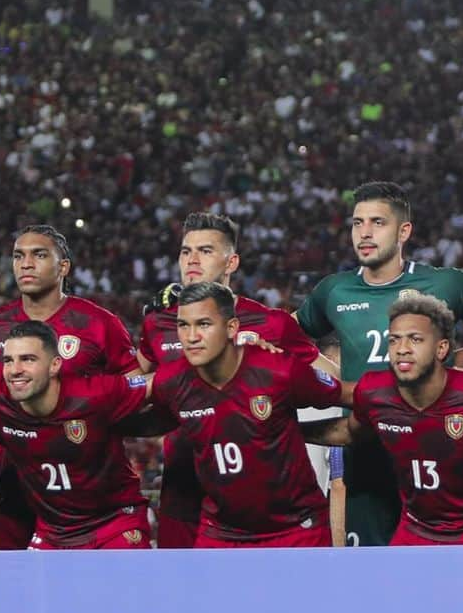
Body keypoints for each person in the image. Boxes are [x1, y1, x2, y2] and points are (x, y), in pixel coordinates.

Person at [296, 180, 463, 547]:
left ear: (403, 230)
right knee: (371, 582)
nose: (365, 232)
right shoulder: (334, 291)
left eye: (378, 222)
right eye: (358, 223)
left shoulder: (446, 284)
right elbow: (287, 335)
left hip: (439, 452)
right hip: (367, 454)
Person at [139, 211, 328, 548]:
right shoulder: (159, 321)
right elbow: (134, 381)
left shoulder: (272, 324)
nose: (192, 260)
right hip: (184, 488)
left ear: (232, 262)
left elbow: (329, 378)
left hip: (258, 501)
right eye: (186, 251)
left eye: (206, 251)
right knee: (183, 594)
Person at [305, 295, 463, 544]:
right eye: (394, 340)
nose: (402, 348)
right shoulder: (374, 392)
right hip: (418, 528)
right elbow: (350, 432)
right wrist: (288, 430)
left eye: (415, 339)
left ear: (442, 348)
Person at [0, 224, 138, 551]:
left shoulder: (97, 323)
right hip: (18, 473)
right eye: (18, 256)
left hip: (86, 473)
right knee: (13, 581)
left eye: (39, 255)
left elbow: (134, 379)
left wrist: (94, 417)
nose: (25, 264)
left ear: (63, 267)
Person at [0, 321, 156, 550]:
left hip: (112, 524)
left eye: (28, 359)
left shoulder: (95, 394)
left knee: (125, 592)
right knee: (25, 592)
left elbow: (155, 384)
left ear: (55, 365)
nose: (15, 370)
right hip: (53, 533)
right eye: (8, 361)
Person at [151, 282, 348, 548]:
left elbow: (347, 394)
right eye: (183, 326)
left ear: (232, 328)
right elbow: (125, 409)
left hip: (296, 529)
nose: (191, 336)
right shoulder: (171, 381)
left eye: (204, 324)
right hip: (222, 532)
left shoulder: (278, 369)